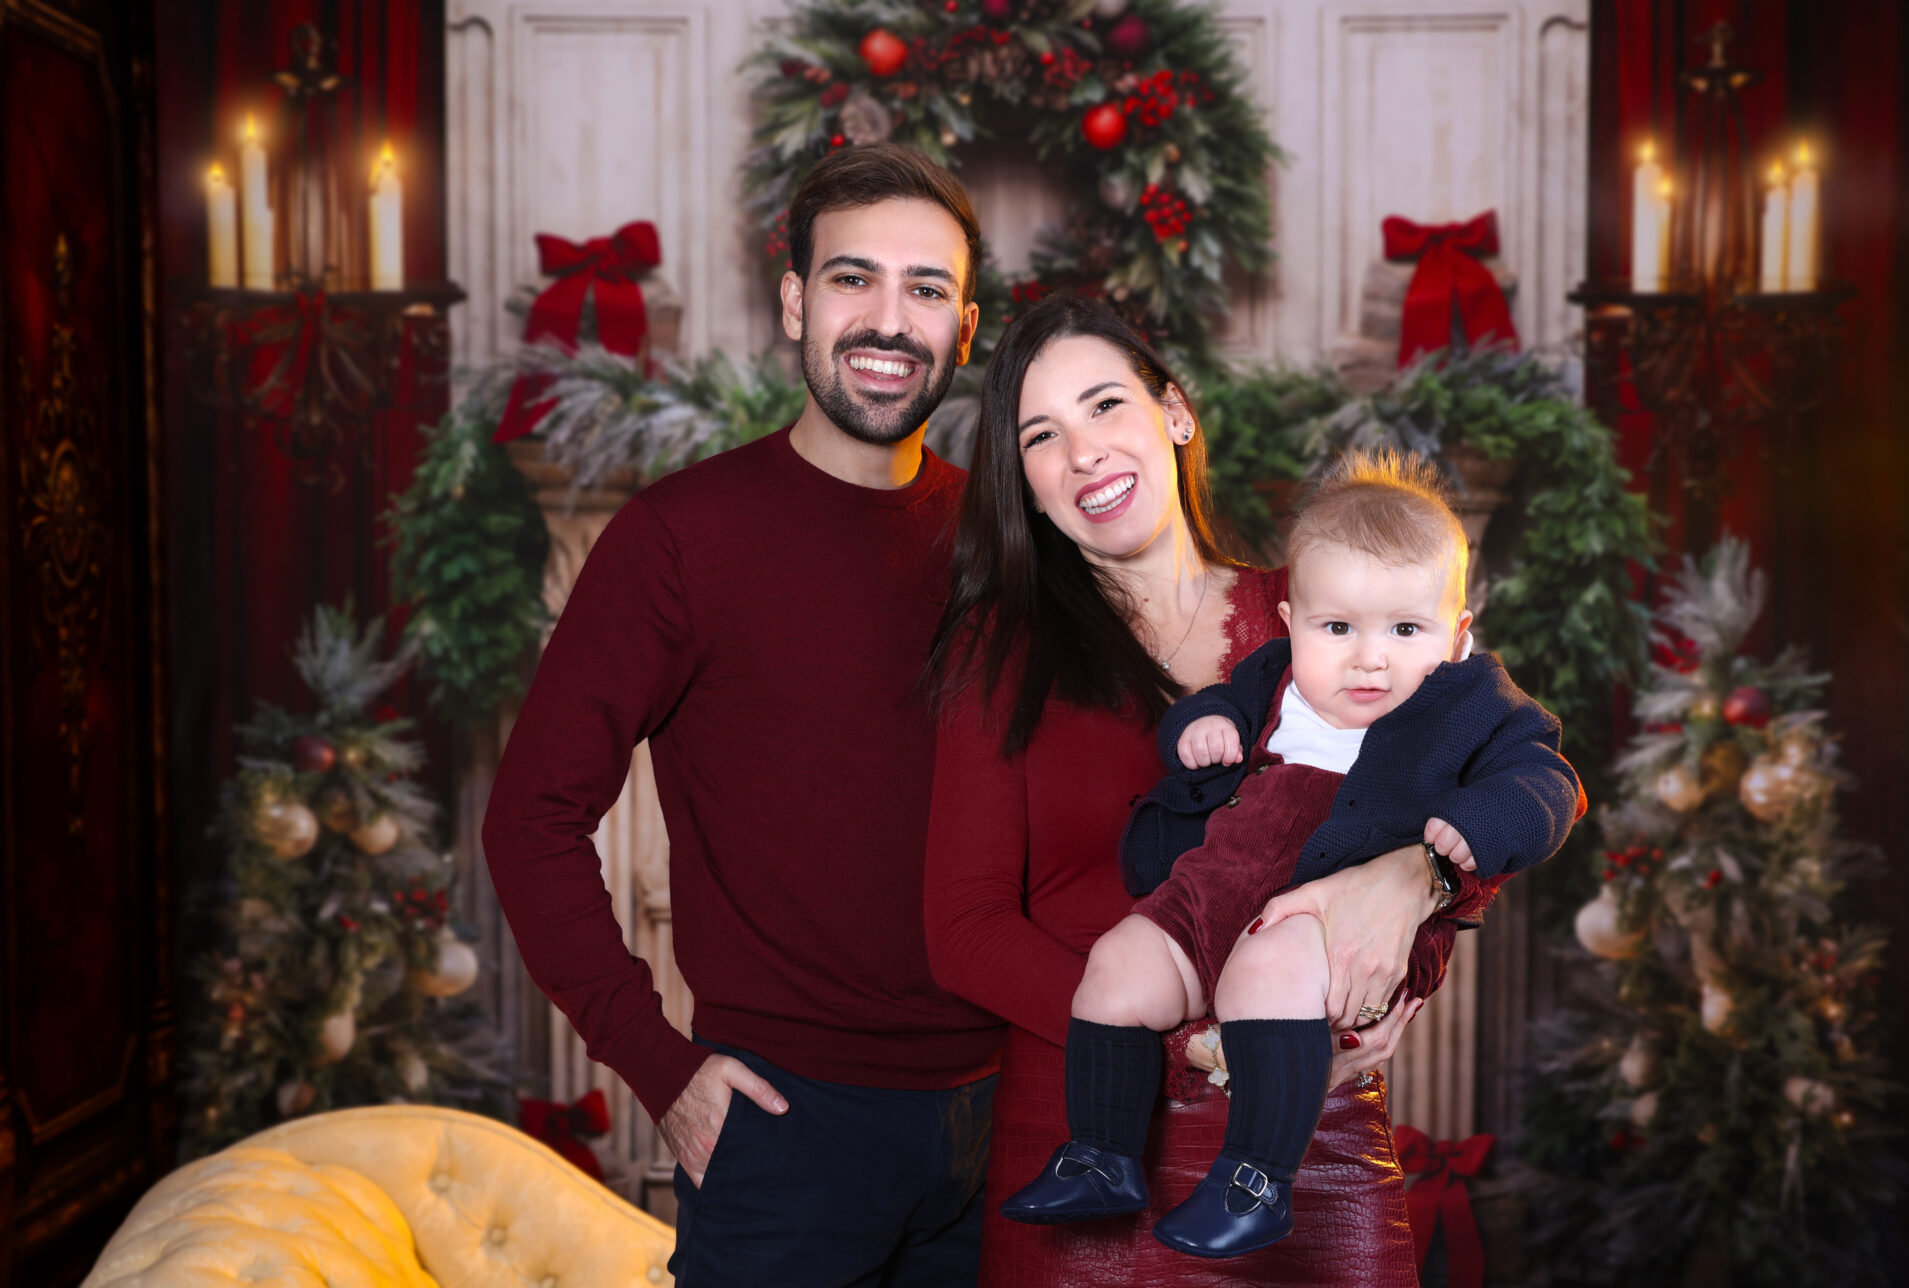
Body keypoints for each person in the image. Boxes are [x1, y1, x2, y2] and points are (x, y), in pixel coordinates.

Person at [483, 143, 1004, 1286]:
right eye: (852, 278)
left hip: (1009, 1119)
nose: (888, 318)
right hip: (787, 1126)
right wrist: (657, 1064)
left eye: (926, 290)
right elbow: (529, 818)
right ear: (794, 303)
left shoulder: (1007, 540)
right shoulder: (681, 538)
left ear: (964, 330)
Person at [922, 292, 1515, 1285]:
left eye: (1106, 405)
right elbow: (965, 932)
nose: (1084, 452)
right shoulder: (1000, 654)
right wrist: (1193, 1040)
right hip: (1085, 1134)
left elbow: (1488, 778)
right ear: (1024, 481)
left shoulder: (1324, 611)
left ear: (1176, 413)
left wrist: (1420, 890)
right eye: (1042, 435)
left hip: (1303, 1138)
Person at [1000, 450, 1583, 1258]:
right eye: (1336, 627)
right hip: (1211, 894)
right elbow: (1208, 713)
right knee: (1119, 963)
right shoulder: (1275, 677)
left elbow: (1550, 784)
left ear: (1457, 636)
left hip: (1328, 928)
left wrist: (1479, 826)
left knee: (1264, 973)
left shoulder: (1469, 706)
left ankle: (1255, 1182)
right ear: (1290, 624)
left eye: (1405, 630)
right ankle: (1103, 1153)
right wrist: (1203, 729)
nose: (1368, 658)